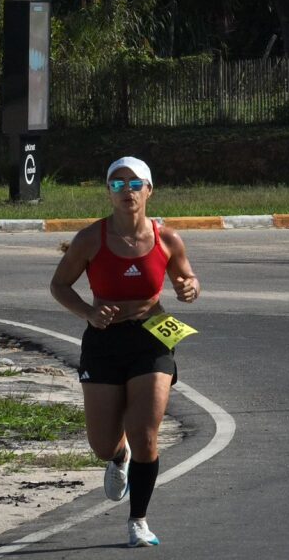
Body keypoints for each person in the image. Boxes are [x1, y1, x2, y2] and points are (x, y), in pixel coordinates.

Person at [50, 156, 201, 548]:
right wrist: (88, 312)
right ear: (109, 192)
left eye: (135, 184)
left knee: (146, 434)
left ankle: (138, 520)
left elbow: (187, 278)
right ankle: (119, 457)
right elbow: (59, 285)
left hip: (152, 336)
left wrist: (189, 288)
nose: (127, 192)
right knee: (102, 443)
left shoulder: (167, 239)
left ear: (149, 190)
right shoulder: (90, 239)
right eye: (117, 185)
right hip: (104, 340)